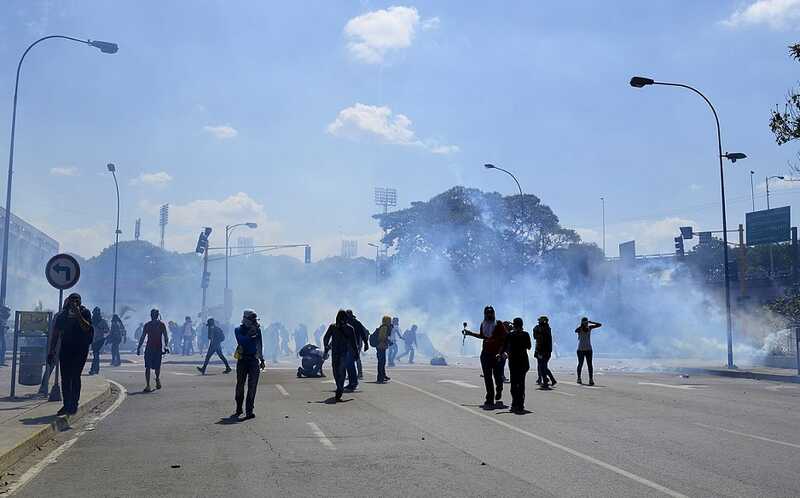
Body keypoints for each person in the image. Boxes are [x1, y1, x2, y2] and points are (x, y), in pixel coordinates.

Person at [47, 293, 93, 416]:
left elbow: (87, 327)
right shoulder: (63, 315)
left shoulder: (85, 313)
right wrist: (51, 351)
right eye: (72, 300)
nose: (74, 303)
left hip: (80, 350)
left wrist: (78, 314)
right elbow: (56, 334)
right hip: (66, 349)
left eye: (77, 300)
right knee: (65, 378)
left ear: (80, 302)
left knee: (75, 375)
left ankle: (74, 403)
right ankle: (67, 404)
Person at [463, 306, 508, 409]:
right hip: (486, 353)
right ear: (484, 314)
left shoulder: (499, 324)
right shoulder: (483, 324)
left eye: (491, 312)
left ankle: (499, 389)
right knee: (487, 377)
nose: (489, 314)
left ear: (494, 313)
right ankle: (490, 398)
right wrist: (470, 333)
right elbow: (483, 336)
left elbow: (506, 338)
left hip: (496, 354)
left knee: (497, 376)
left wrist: (503, 352)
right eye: (487, 313)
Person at [234, 310, 265, 419]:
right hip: (242, 360)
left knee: (252, 386)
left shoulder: (257, 330)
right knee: (240, 385)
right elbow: (241, 341)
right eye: (252, 320)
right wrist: (249, 335)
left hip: (253, 360)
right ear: (246, 320)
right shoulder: (238, 330)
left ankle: (249, 410)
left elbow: (259, 345)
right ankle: (239, 407)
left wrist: (262, 359)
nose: (254, 322)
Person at [323, 310, 359, 402]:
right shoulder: (349, 328)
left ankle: (339, 387)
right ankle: (340, 387)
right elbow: (354, 343)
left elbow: (326, 338)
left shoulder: (333, 327)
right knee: (341, 371)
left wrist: (326, 348)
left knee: (336, 371)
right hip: (344, 353)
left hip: (336, 353)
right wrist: (356, 354)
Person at [501, 317, 531, 413]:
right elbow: (529, 347)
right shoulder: (525, 334)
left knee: (514, 384)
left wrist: (500, 354)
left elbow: (504, 347)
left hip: (514, 362)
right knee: (521, 384)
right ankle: (520, 404)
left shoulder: (510, 335)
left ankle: (515, 403)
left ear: (514, 325)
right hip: (523, 362)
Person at [137, 309, 169, 392]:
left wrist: (139, 347)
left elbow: (143, 337)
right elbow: (166, 337)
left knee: (149, 367)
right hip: (155, 348)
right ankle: (154, 381)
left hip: (152, 348)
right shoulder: (159, 325)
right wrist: (166, 346)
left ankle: (150, 384)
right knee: (153, 367)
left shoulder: (150, 325)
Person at [345, 310, 369, 385]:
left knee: (354, 359)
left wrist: (365, 343)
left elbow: (363, 332)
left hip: (355, 344)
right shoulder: (355, 322)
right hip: (352, 344)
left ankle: (359, 374)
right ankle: (355, 374)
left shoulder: (354, 323)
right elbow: (364, 332)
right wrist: (365, 343)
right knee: (352, 359)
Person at [576, 317, 602, 386]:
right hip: (580, 350)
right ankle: (579, 378)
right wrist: (582, 325)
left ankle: (591, 379)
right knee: (580, 364)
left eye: (586, 322)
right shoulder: (580, 329)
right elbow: (576, 330)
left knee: (589, 365)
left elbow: (599, 325)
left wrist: (591, 322)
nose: (586, 323)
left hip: (588, 349)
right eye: (584, 322)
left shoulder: (589, 328)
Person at [533, 316, 556, 388]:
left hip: (543, 351)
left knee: (542, 366)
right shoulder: (544, 328)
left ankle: (546, 381)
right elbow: (536, 336)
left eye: (540, 321)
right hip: (543, 350)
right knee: (543, 366)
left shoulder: (544, 329)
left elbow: (538, 337)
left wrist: (539, 352)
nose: (538, 322)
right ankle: (550, 380)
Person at [88, 307, 109, 375]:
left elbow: (107, 330)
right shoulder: (91, 321)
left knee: (96, 354)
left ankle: (93, 369)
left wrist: (101, 329)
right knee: (96, 355)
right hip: (93, 340)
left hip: (99, 340)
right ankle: (96, 369)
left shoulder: (103, 321)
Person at [372, 316, 393, 383]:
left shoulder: (384, 326)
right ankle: (380, 378)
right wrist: (388, 341)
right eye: (389, 320)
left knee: (382, 362)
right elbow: (382, 337)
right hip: (381, 347)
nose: (390, 322)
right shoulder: (384, 327)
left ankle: (382, 376)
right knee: (381, 362)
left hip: (381, 347)